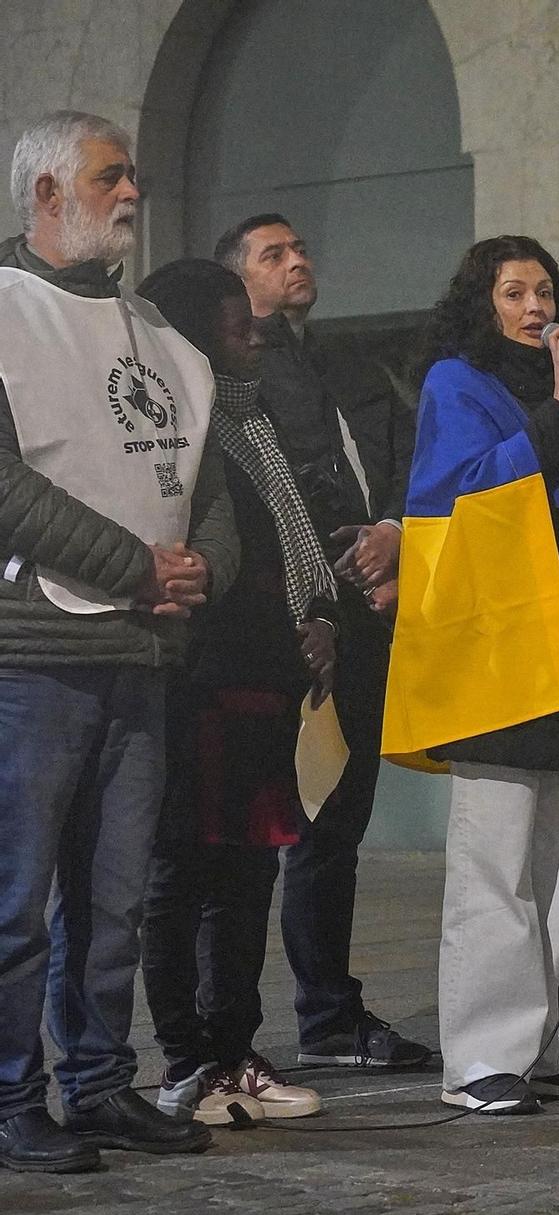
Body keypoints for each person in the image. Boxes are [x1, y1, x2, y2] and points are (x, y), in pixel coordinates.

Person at [0, 110, 236, 1171]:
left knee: (113, 903)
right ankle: (11, 1101)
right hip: (31, 655)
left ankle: (99, 1084)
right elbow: (6, 493)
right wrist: (137, 564)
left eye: (133, 175)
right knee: (15, 904)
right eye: (109, 177)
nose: (131, 192)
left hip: (143, 653)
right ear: (46, 195)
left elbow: (213, 489)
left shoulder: (164, 338)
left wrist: (202, 570)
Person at [385, 235, 559, 1114]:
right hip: (499, 653)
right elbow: (460, 499)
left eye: (545, 290)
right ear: (484, 304)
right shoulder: (455, 385)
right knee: (495, 860)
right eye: (514, 292)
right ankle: (479, 1058)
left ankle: (542, 1037)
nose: (535, 306)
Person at [214, 211, 430, 1071]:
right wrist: (340, 579)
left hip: (374, 607)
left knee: (339, 817)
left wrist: (394, 531)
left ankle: (330, 1013)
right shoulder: (241, 372)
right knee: (288, 818)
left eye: (301, 247)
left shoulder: (343, 359)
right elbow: (276, 493)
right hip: (300, 621)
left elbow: (404, 452)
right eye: (275, 254)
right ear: (239, 280)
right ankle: (248, 1024)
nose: (298, 260)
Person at [137, 258, 336, 1125]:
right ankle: (188, 1060)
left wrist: (322, 616)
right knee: (185, 874)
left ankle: (234, 1046)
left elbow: (293, 545)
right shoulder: (176, 434)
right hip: (201, 685)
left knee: (250, 872)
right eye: (228, 323)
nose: (247, 331)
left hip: (265, 685)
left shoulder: (257, 422)